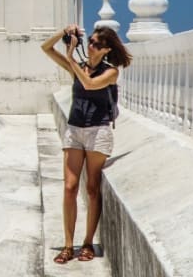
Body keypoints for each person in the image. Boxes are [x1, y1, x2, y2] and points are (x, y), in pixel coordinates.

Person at [41, 24, 131, 263]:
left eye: (97, 44)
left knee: (92, 188)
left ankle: (88, 243)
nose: (91, 46)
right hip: (75, 128)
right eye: (90, 41)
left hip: (98, 131)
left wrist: (71, 58)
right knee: (70, 187)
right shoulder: (77, 67)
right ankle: (68, 245)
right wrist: (63, 33)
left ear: (106, 50)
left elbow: (90, 85)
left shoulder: (111, 72)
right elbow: (46, 48)